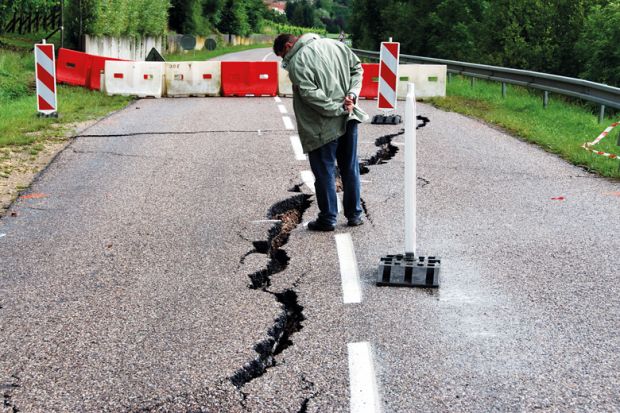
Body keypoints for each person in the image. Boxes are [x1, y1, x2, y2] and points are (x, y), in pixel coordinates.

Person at [273, 33, 369, 231]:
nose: (284, 60)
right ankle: (355, 215)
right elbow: (357, 69)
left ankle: (328, 218)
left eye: (283, 54)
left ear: (290, 45)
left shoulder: (297, 63)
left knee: (324, 171)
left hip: (321, 125)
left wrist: (338, 108)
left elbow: (311, 95)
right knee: (349, 167)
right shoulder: (336, 45)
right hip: (349, 116)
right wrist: (352, 95)